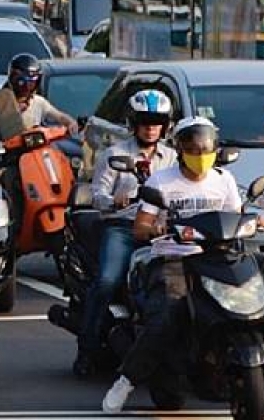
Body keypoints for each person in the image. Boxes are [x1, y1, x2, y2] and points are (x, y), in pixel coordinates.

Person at [102, 117, 264, 413]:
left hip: (219, 255)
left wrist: (254, 220)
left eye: (205, 148)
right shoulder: (161, 181)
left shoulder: (223, 180)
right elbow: (140, 227)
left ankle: (259, 346)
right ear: (180, 149)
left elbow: (235, 214)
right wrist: (157, 229)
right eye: (192, 148)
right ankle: (127, 379)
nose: (199, 155)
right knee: (165, 316)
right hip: (174, 258)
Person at [73, 89, 177, 377]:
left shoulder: (173, 157)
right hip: (123, 227)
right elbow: (97, 195)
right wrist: (113, 201)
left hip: (163, 231)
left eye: (157, 121)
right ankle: (88, 347)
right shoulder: (115, 154)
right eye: (145, 120)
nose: (151, 126)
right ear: (134, 123)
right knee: (107, 281)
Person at [0, 53, 79, 140]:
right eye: (23, 81)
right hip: (8, 155)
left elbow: (60, 116)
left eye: (32, 81)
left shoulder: (39, 102)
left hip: (34, 152)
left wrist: (71, 123)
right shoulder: (0, 102)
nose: (27, 85)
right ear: (13, 79)